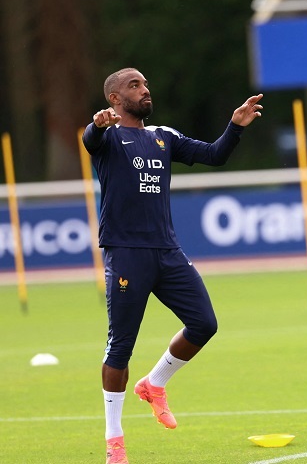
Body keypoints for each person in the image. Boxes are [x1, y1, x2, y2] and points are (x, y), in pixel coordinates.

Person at [83, 68, 264, 464]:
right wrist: (97, 124)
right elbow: (90, 137)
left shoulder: (165, 136)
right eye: (134, 85)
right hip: (126, 252)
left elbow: (214, 156)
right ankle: (114, 440)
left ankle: (154, 384)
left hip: (167, 251)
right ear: (114, 98)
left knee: (205, 324)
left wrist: (235, 126)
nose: (145, 89)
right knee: (120, 347)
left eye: (146, 83)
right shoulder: (108, 137)